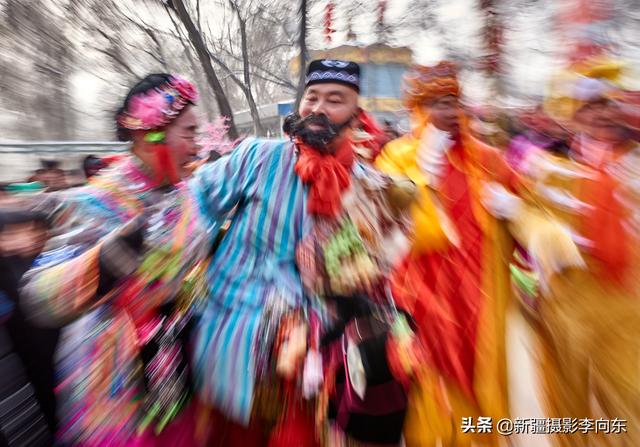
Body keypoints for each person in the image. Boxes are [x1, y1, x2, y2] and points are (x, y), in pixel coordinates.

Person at [190, 59, 415, 445]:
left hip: (312, 360)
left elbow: (374, 276)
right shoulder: (258, 157)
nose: (318, 108)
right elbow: (195, 204)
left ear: (356, 114)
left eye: (335, 99)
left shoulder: (372, 190)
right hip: (232, 341)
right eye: (311, 97)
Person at [19, 73, 210, 446]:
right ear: (150, 134)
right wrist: (101, 265)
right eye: (188, 133)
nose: (196, 146)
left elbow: (190, 266)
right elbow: (38, 296)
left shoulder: (181, 192)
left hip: (172, 364)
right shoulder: (101, 199)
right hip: (115, 379)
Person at [374, 62, 551, 447]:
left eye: (453, 101)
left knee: (482, 375)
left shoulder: (486, 158)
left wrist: (514, 208)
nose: (449, 112)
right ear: (418, 108)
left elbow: (532, 211)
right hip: (424, 291)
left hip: (482, 291)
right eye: (437, 103)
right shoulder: (397, 156)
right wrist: (424, 175)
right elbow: (389, 224)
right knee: (430, 374)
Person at [485, 67, 640, 447]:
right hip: (566, 305)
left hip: (626, 306)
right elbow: (525, 215)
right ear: (573, 114)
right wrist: (527, 219)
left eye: (606, 105)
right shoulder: (548, 169)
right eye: (590, 107)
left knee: (630, 395)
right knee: (567, 400)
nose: (601, 114)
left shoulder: (633, 166)